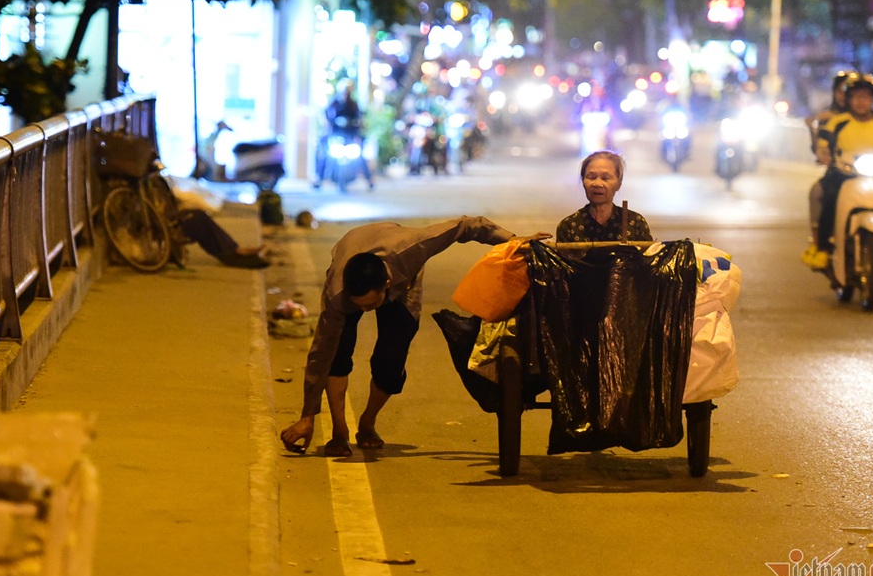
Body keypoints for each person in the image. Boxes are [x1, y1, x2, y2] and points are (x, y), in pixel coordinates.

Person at [278, 217, 551, 457]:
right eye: (359, 305)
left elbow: (465, 226)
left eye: (370, 305)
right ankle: (339, 432)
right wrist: (307, 415)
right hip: (351, 254)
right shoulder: (338, 295)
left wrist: (514, 240)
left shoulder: (412, 246)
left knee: (391, 362)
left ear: (386, 285)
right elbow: (320, 354)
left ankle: (368, 422)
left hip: (403, 282)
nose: (365, 311)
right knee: (336, 356)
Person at [802, 72, 873, 270]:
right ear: (848, 99)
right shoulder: (837, 123)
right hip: (842, 176)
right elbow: (823, 145)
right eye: (856, 97)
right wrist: (824, 154)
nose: (861, 102)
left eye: (865, 97)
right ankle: (822, 248)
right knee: (830, 196)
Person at [556, 150, 653, 245]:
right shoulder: (569, 226)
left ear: (619, 183)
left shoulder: (635, 223)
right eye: (591, 177)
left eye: (605, 178)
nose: (597, 184)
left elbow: (650, 254)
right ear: (583, 181)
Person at [803, 71, 850, 249]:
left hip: (866, 175)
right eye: (840, 91)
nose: (844, 95)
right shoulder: (828, 119)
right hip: (837, 173)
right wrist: (812, 131)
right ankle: (820, 243)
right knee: (818, 193)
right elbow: (819, 149)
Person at [314, 81, 374, 190]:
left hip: (350, 136)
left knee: (360, 156)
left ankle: (369, 180)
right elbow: (326, 118)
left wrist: (358, 126)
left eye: (347, 92)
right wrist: (328, 125)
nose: (344, 94)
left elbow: (360, 119)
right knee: (325, 155)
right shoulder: (333, 104)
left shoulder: (353, 105)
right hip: (335, 136)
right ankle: (319, 179)